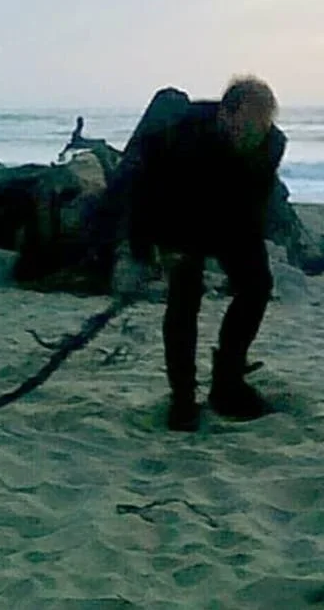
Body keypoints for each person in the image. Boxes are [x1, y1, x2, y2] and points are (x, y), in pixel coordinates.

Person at [102, 76, 286, 432]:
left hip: (233, 217)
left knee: (257, 286)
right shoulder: (179, 135)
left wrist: (240, 248)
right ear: (225, 114)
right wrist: (154, 247)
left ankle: (228, 382)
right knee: (184, 299)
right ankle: (182, 397)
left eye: (261, 128)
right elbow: (144, 191)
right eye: (246, 127)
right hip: (178, 214)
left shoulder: (272, 143)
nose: (253, 137)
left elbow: (256, 201)